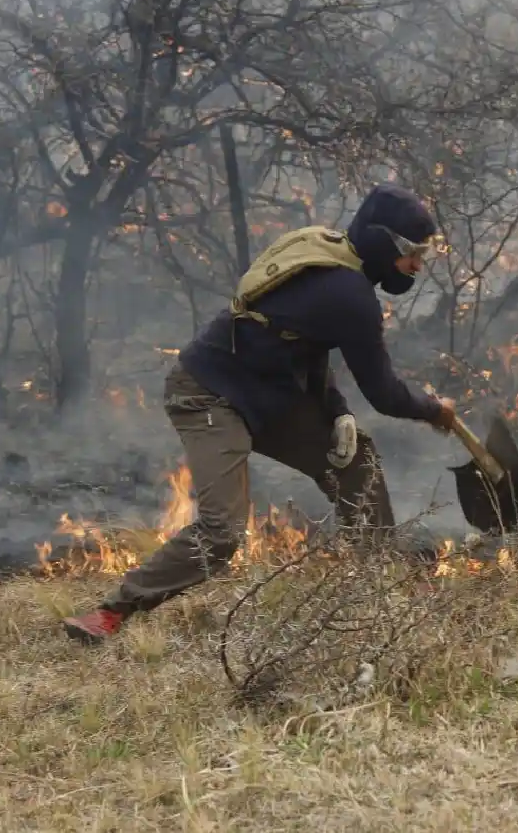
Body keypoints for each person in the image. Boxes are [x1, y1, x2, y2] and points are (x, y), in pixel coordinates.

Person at [63, 183, 456, 644]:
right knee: (222, 532)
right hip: (208, 395)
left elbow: (308, 345)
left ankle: (379, 591)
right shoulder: (351, 295)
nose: (416, 265)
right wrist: (435, 411)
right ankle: (111, 613)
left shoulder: (331, 256)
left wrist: (336, 410)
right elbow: (386, 395)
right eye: (412, 251)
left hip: (265, 393)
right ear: (382, 241)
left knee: (355, 462)